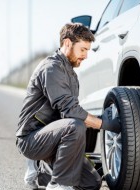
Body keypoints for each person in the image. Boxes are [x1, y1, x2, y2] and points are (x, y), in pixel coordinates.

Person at [16, 23, 121, 190]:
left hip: (53, 137)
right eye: (83, 50)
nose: (86, 56)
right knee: (75, 126)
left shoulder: (71, 75)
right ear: (67, 43)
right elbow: (70, 111)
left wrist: (100, 120)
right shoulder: (51, 68)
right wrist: (103, 124)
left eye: (87, 50)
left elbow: (71, 114)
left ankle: (40, 174)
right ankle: (59, 184)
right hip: (31, 138)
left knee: (92, 183)